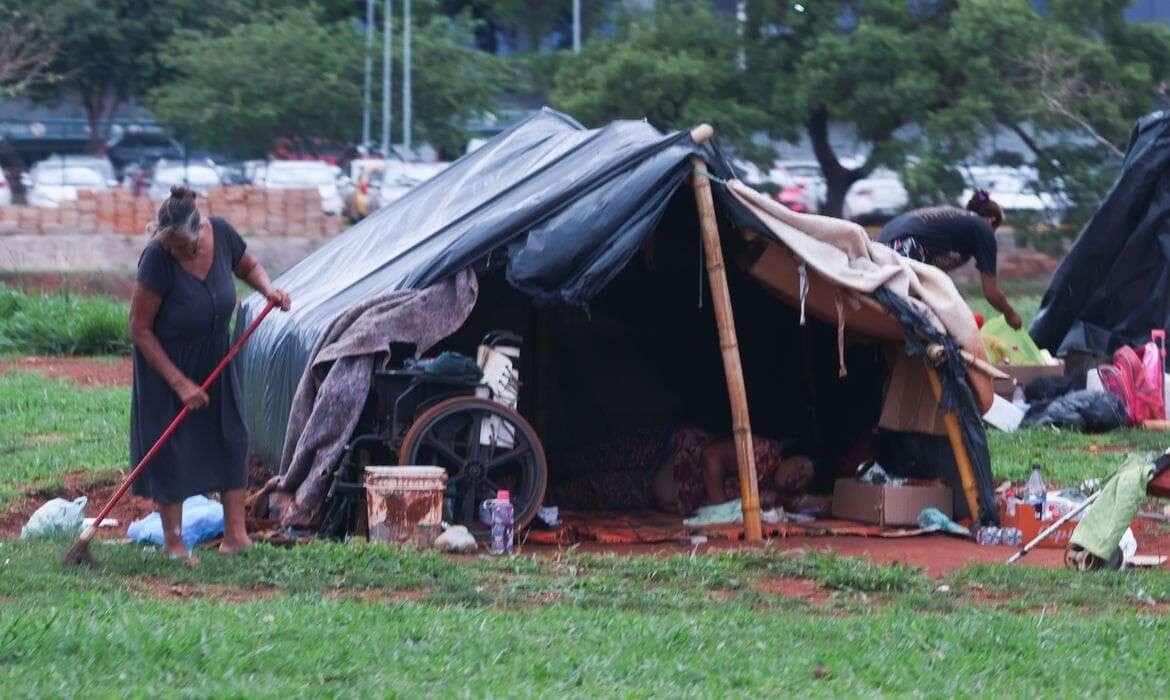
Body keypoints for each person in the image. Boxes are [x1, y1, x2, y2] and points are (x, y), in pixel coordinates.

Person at [128, 186, 291, 562]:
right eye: (170, 246)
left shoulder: (222, 232)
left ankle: (236, 536)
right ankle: (174, 544)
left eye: (183, 246)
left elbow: (248, 266)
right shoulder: (156, 258)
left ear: (201, 231)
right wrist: (180, 383)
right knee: (172, 448)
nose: (177, 252)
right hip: (167, 364)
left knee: (231, 436)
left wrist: (268, 290)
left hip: (216, 356)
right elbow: (139, 328)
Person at [547, 425, 814, 515]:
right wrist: (720, 509)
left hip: (657, 491)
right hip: (665, 455)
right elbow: (712, 456)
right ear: (792, 454)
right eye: (801, 465)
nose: (798, 476)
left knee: (587, 492)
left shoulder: (773, 494)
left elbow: (820, 505)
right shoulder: (765, 453)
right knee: (585, 461)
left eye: (804, 479)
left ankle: (523, 494)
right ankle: (526, 467)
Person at [878, 189, 1023, 329]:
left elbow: (938, 276)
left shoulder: (956, 221)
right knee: (929, 320)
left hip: (880, 248)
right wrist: (1010, 314)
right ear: (991, 221)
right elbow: (991, 293)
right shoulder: (982, 228)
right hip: (904, 248)